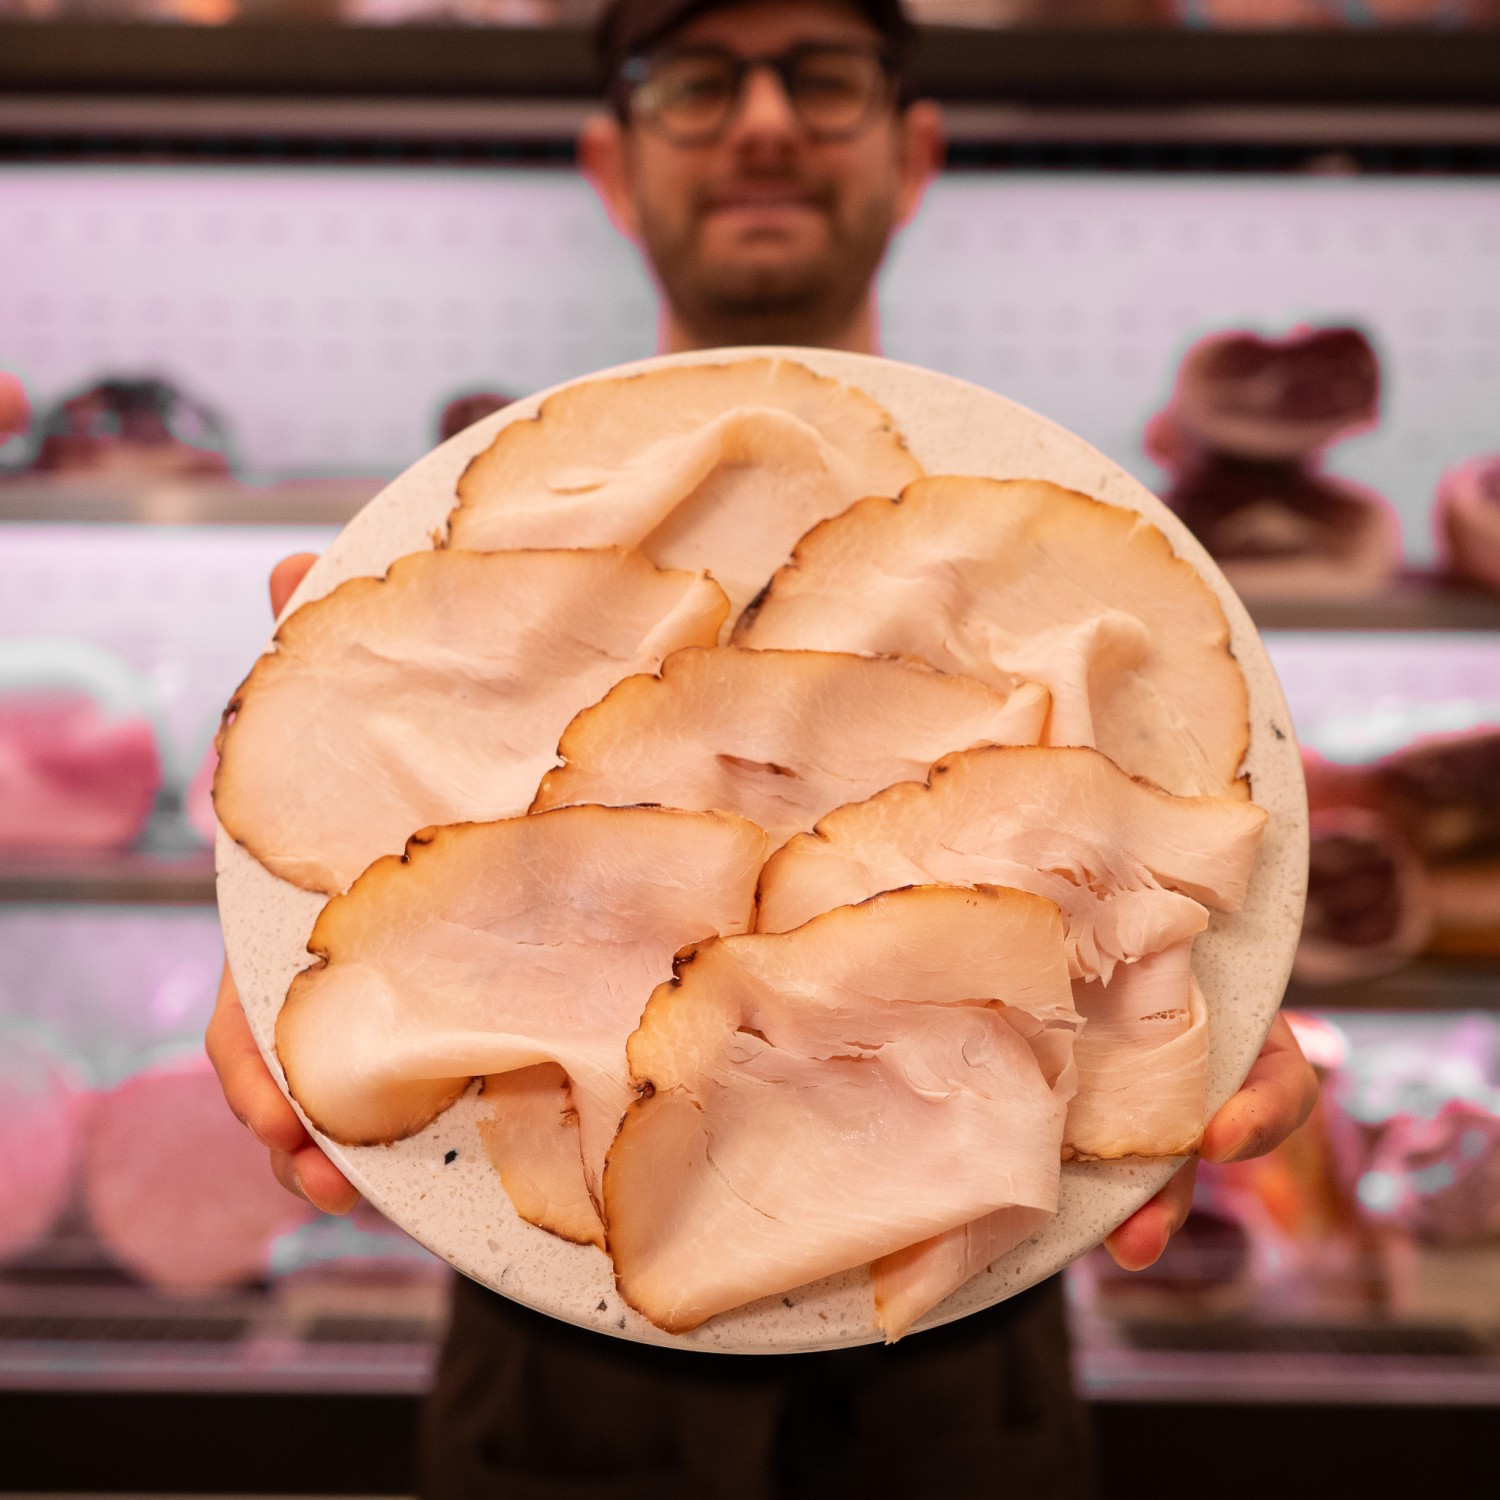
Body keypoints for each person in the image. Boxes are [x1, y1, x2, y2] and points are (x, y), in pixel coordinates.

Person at [207, 2, 1319, 1494]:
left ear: (914, 153)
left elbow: (1190, 870)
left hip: (971, 1366)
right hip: (549, 1361)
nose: (766, 122)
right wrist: (302, 921)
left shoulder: (1054, 538)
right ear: (613, 164)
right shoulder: (476, 541)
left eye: (824, 76)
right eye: (700, 80)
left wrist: (1190, 994)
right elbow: (361, 881)